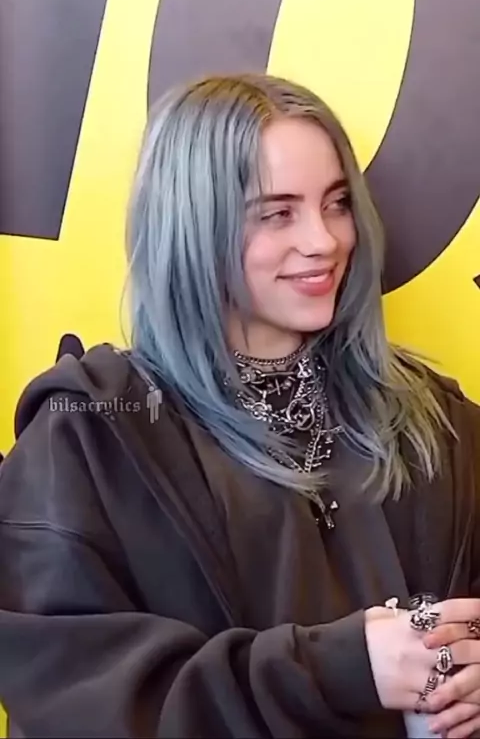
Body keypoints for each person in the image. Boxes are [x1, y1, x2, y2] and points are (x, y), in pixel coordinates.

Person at [0, 73, 479, 739]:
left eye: (337, 203)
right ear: (193, 226)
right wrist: (339, 669)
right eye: (277, 213)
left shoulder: (435, 421)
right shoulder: (90, 438)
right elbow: (78, 700)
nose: (325, 240)